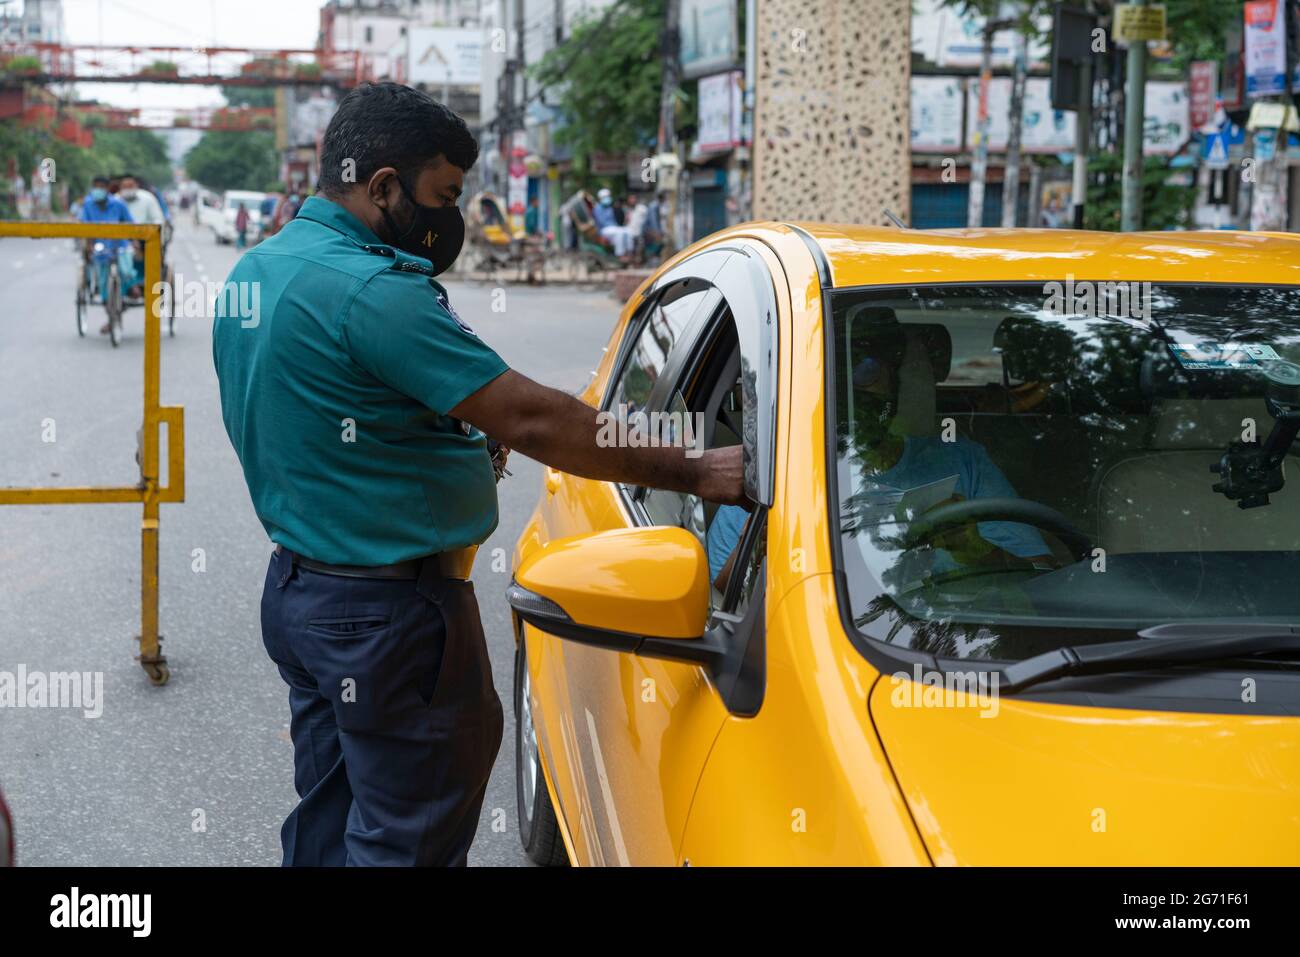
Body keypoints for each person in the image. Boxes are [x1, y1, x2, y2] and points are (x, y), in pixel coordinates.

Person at [211, 81, 743, 868]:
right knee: (408, 837)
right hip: (391, 617)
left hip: (301, 595)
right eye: (445, 195)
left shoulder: (257, 273)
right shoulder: (373, 293)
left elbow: (314, 416)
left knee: (329, 819)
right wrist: (697, 466)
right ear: (383, 186)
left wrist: (439, 442)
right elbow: (536, 421)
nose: (455, 217)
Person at [707, 315, 1052, 589]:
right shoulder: (770, 471)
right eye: (832, 370)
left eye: (866, 368)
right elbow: (718, 605)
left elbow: (1046, 578)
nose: (848, 387)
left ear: (898, 379)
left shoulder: (962, 461)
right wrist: (756, 545)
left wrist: (979, 552)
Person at [77, 175, 136, 333]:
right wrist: (89, 245)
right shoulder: (88, 205)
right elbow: (84, 227)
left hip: (119, 244)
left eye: (101, 187)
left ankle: (131, 287)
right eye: (96, 186)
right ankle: (110, 314)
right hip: (100, 247)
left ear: (107, 188)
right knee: (102, 284)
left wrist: (134, 240)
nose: (98, 190)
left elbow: (131, 223)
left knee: (126, 269)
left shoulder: (118, 204)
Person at [118, 173, 165, 297]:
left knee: (151, 250)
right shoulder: (116, 200)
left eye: (130, 185)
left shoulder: (148, 199)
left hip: (145, 238)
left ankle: (147, 282)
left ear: (136, 185)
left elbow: (158, 219)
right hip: (121, 239)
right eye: (125, 186)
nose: (128, 189)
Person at [593, 187, 633, 258]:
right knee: (619, 233)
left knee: (628, 231)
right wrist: (615, 227)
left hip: (614, 228)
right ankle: (620, 255)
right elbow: (602, 222)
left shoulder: (610, 207)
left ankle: (629, 253)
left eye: (608, 196)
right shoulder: (597, 208)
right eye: (605, 197)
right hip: (604, 230)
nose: (608, 198)